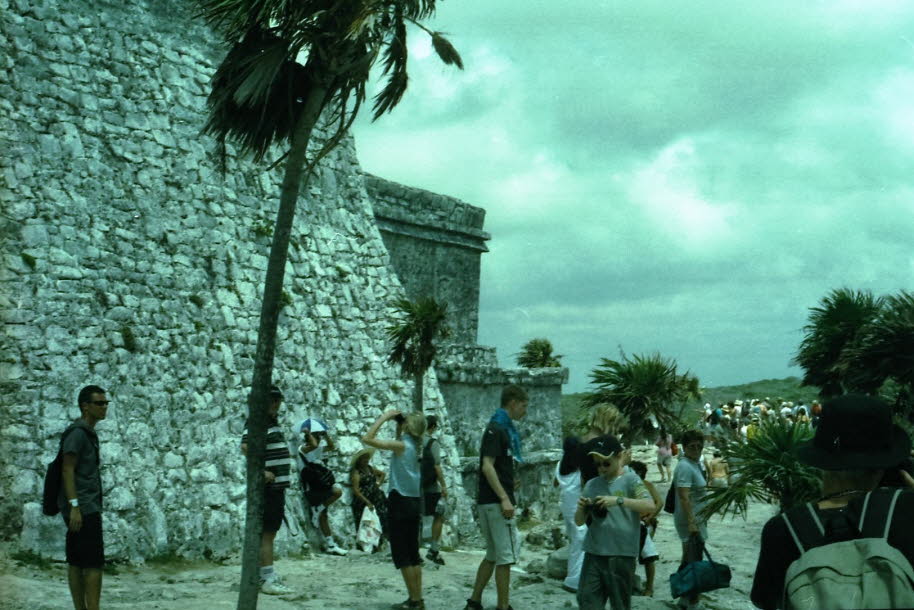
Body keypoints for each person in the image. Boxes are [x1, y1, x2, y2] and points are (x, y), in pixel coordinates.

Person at [750, 394, 914, 610]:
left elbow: (766, 600)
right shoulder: (906, 509)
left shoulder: (782, 529)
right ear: (884, 465)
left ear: (821, 462)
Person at [464, 384, 529, 610]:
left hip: (487, 501)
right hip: (496, 503)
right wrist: (504, 497)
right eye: (523, 405)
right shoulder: (497, 430)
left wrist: (510, 482)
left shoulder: (499, 429)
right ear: (512, 403)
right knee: (505, 557)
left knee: (492, 554)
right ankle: (503, 606)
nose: (525, 410)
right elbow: (487, 466)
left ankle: (474, 601)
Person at [574, 435, 655, 610]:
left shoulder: (631, 480)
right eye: (597, 464)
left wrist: (618, 501)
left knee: (620, 603)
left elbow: (650, 505)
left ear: (619, 457)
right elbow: (579, 521)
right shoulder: (592, 484)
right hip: (594, 552)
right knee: (587, 600)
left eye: (606, 463)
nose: (601, 468)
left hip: (621, 554)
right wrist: (582, 508)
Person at [362, 410, 428, 610]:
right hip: (414, 502)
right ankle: (417, 598)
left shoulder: (401, 446)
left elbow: (367, 438)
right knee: (413, 553)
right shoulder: (417, 446)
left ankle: (414, 600)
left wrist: (385, 417)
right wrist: (401, 425)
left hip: (399, 502)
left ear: (408, 427)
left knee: (402, 554)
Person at [241, 385, 294, 595]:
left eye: (278, 402)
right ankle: (268, 579)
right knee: (267, 534)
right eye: (273, 401)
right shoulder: (258, 422)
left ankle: (261, 575)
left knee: (268, 532)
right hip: (269, 487)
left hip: (276, 487)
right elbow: (246, 446)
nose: (276, 406)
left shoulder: (271, 422)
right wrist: (261, 471)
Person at [59, 385, 108, 610]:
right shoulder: (78, 434)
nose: (104, 407)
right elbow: (67, 469)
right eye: (99, 403)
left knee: (77, 561)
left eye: (106, 403)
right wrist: (75, 506)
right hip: (84, 508)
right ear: (85, 406)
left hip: (83, 506)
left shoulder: (87, 432)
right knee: (93, 563)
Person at [298, 418, 347, 556]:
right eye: (317, 435)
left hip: (319, 485)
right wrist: (308, 433)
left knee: (323, 514)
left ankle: (331, 544)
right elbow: (312, 444)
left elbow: (332, 447)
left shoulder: (317, 449)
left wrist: (325, 434)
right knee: (336, 493)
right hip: (311, 488)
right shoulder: (303, 449)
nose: (319, 439)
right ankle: (318, 511)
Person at [673, 429, 709, 610]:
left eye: (699, 446)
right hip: (690, 521)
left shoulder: (694, 463)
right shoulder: (685, 466)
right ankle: (693, 602)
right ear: (684, 447)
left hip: (696, 519)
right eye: (692, 446)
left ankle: (684, 598)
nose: (696, 449)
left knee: (689, 559)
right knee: (695, 560)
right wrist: (692, 522)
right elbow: (684, 497)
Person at [422, 415, 448, 566]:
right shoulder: (432, 443)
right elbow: (436, 466)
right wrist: (443, 486)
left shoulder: (414, 441)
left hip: (415, 487)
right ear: (432, 427)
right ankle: (433, 549)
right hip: (431, 487)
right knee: (439, 516)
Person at [350, 448, 389, 550]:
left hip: (377, 498)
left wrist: (378, 484)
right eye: (364, 459)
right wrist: (367, 502)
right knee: (367, 523)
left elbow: (382, 474)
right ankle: (367, 545)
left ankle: (379, 543)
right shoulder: (356, 472)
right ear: (359, 460)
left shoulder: (370, 468)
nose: (366, 461)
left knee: (380, 518)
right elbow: (356, 490)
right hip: (364, 501)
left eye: (367, 459)